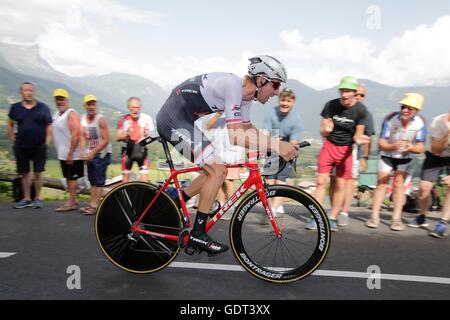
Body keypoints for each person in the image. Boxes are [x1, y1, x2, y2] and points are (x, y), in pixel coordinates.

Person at [156, 55, 298, 254]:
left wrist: (278, 144)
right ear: (260, 80)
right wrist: (276, 145)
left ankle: (173, 199)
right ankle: (197, 233)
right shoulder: (233, 87)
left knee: (214, 169)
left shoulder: (246, 98)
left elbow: (248, 131)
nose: (277, 92)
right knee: (217, 171)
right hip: (173, 118)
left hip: (186, 121)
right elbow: (236, 137)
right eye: (275, 85)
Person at [306, 76, 370, 232]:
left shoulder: (361, 110)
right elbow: (322, 130)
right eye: (342, 91)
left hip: (347, 149)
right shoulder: (331, 105)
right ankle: (315, 215)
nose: (344, 94)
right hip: (329, 145)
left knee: (341, 184)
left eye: (348, 91)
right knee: (321, 181)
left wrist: (359, 139)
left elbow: (357, 135)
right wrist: (325, 129)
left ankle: (333, 217)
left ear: (355, 93)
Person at [366, 93, 426, 231]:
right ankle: (374, 216)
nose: (405, 110)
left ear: (416, 111)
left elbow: (421, 147)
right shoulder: (390, 119)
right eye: (403, 106)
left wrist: (411, 147)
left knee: (399, 185)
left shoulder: (420, 123)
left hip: (405, 156)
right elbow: (381, 143)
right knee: (382, 184)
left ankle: (396, 219)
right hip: (387, 153)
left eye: (409, 108)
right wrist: (393, 146)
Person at [329, 83, 375, 226]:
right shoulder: (342, 109)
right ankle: (333, 210)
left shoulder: (366, 113)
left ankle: (344, 212)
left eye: (362, 95)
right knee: (333, 180)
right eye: (357, 94)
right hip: (336, 149)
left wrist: (365, 158)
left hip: (355, 151)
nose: (359, 97)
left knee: (349, 182)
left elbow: (368, 138)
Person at [7, 82, 52, 209]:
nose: (29, 93)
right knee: (25, 173)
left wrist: (47, 142)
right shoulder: (15, 108)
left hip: (39, 146)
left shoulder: (43, 107)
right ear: (21, 93)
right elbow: (10, 124)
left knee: (38, 173)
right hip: (21, 146)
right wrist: (13, 141)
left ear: (34, 92)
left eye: (31, 90)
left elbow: (49, 124)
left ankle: (37, 198)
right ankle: (26, 198)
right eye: (26, 90)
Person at [408, 112, 450, 238]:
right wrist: (447, 135)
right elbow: (435, 150)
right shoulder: (438, 121)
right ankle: (422, 215)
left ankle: (442, 223)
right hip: (436, 155)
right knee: (424, 187)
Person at [263, 87, 302, 218]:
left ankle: (274, 209)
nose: (284, 103)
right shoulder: (271, 113)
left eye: (288, 101)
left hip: (288, 147)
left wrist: (280, 144)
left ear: (293, 102)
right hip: (272, 146)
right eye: (282, 100)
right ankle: (272, 207)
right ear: (279, 100)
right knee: (269, 181)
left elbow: (294, 142)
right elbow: (266, 133)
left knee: (280, 180)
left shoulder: (296, 118)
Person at [79, 95, 112, 215]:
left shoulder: (100, 119)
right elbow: (82, 136)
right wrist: (83, 151)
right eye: (89, 104)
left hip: (102, 154)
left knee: (99, 180)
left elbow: (106, 140)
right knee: (92, 179)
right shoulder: (82, 119)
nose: (91, 106)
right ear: (85, 106)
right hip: (90, 153)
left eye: (93, 104)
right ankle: (92, 203)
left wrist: (93, 152)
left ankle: (95, 205)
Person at [51, 88, 84, 212]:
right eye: (57, 99)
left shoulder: (71, 113)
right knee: (68, 178)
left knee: (72, 178)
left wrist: (70, 153)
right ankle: (73, 200)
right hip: (63, 154)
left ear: (67, 100)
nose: (60, 101)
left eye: (62, 99)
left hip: (72, 154)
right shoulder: (57, 114)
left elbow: (76, 134)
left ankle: (71, 202)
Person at [116, 97, 155, 183]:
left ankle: (142, 195)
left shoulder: (147, 119)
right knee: (125, 179)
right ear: (129, 108)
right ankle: (126, 196)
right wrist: (127, 134)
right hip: (127, 152)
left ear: (140, 108)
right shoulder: (124, 119)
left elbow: (153, 136)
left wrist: (145, 138)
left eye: (137, 107)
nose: (135, 110)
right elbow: (118, 137)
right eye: (133, 107)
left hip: (142, 151)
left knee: (144, 180)